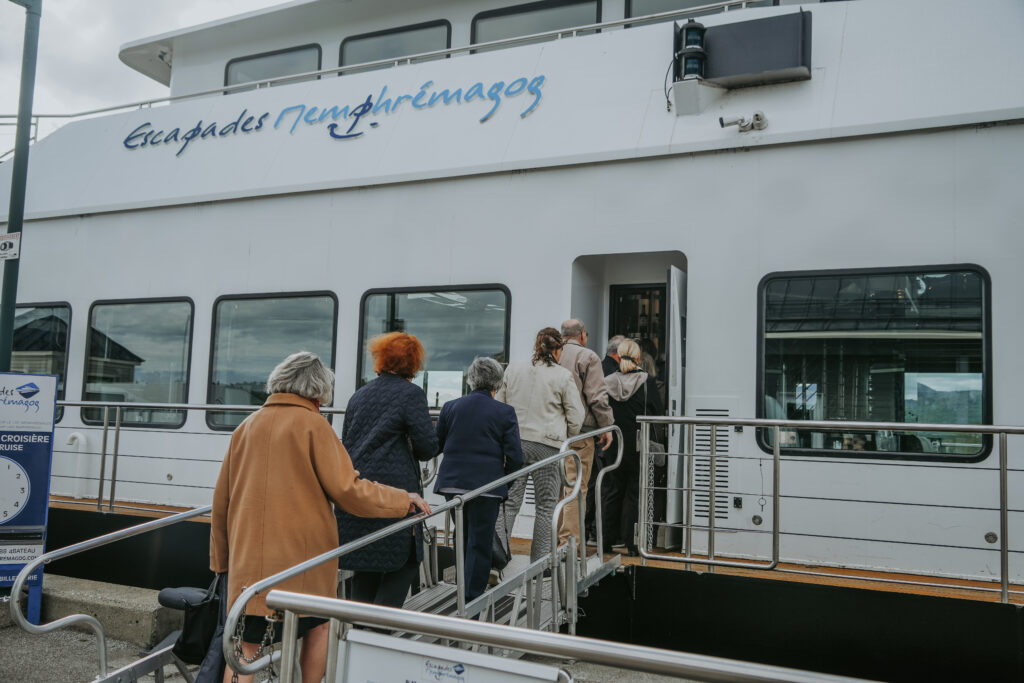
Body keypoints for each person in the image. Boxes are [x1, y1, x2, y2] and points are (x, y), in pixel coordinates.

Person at [210, 351, 430, 683]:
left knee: (246, 649)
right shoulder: (314, 426)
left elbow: (221, 502)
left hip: (249, 568)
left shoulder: (246, 426)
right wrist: (402, 499)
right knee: (318, 628)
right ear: (318, 390)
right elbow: (349, 490)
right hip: (303, 563)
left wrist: (221, 563)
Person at [336, 332, 438, 609]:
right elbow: (426, 448)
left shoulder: (358, 395)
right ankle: (378, 629)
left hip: (359, 492)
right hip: (396, 494)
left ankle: (358, 628)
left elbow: (349, 442)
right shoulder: (411, 394)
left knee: (365, 568)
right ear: (413, 362)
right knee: (406, 561)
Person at [434, 357, 524, 600]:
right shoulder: (505, 412)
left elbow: (436, 444)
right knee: (480, 541)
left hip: (452, 484)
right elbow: (516, 458)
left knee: (462, 534)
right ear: (498, 383)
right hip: (488, 486)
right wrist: (503, 483)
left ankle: (461, 588)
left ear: (471, 380)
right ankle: (471, 599)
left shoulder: (450, 407)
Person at [496, 327, 584, 562]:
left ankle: (496, 560)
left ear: (537, 346)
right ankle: (540, 564)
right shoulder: (563, 376)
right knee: (545, 507)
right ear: (558, 350)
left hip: (515, 444)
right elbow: (576, 418)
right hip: (548, 446)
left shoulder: (513, 370)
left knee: (509, 503)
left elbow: (500, 406)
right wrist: (566, 437)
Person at [556, 319, 614, 554]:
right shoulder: (588, 357)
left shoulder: (552, 354)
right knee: (575, 488)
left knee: (556, 489)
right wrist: (607, 426)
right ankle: (569, 545)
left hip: (553, 433)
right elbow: (597, 396)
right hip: (579, 433)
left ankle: (552, 542)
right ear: (581, 335)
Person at [602, 339, 663, 556]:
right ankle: (633, 544)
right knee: (635, 493)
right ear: (638, 357)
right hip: (639, 443)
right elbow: (658, 411)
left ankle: (605, 541)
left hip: (613, 443)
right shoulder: (647, 381)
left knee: (612, 490)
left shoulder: (607, 381)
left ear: (618, 356)